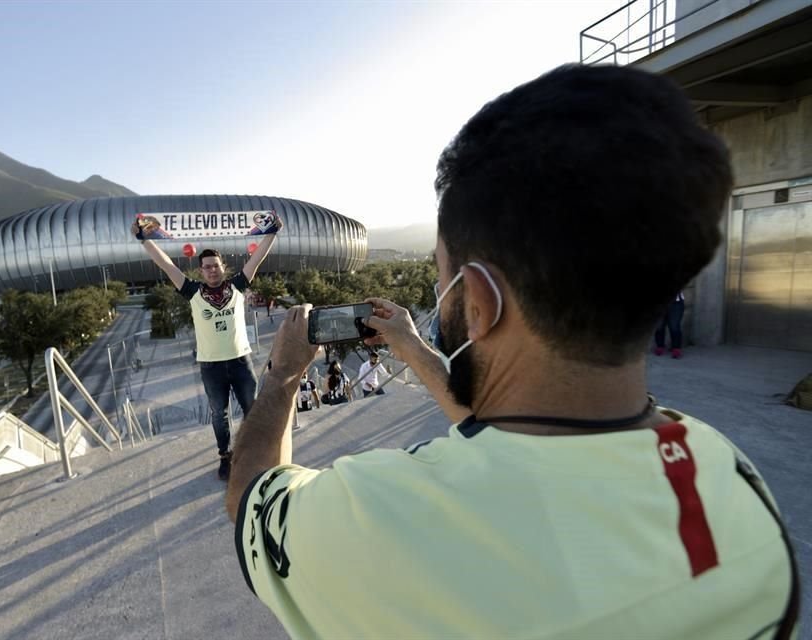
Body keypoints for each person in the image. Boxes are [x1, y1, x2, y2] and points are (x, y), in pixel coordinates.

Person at [224, 65, 798, 639]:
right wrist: (411, 343)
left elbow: (250, 498)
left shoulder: (380, 516)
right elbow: (509, 436)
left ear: (477, 299)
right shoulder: (729, 479)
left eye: (442, 279)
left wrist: (281, 377)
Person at [134, 217, 282, 480]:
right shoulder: (192, 291)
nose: (212, 270)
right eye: (207, 267)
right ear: (200, 271)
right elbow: (167, 265)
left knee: (252, 409)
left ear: (222, 267)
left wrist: (271, 234)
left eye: (215, 266)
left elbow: (255, 260)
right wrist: (144, 240)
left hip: (240, 361)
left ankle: (254, 453)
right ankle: (226, 456)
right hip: (211, 365)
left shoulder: (236, 286)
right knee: (219, 414)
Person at [654, 291, 686, 358]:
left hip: (676, 303)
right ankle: (660, 347)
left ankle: (676, 349)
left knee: (674, 326)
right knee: (659, 325)